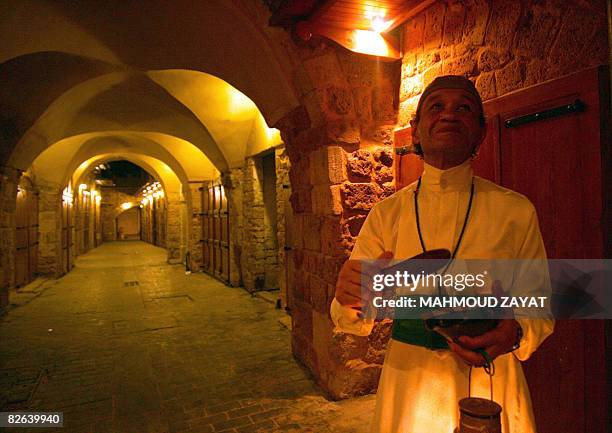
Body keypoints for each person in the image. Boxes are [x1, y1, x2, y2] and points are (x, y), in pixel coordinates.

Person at [331, 75, 554, 433]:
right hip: (409, 387)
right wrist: (351, 295)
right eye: (436, 106)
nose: (449, 115)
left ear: (481, 132)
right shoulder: (387, 215)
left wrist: (515, 333)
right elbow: (353, 316)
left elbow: (539, 303)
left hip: (491, 381)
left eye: (463, 108)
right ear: (416, 131)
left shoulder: (516, 211)